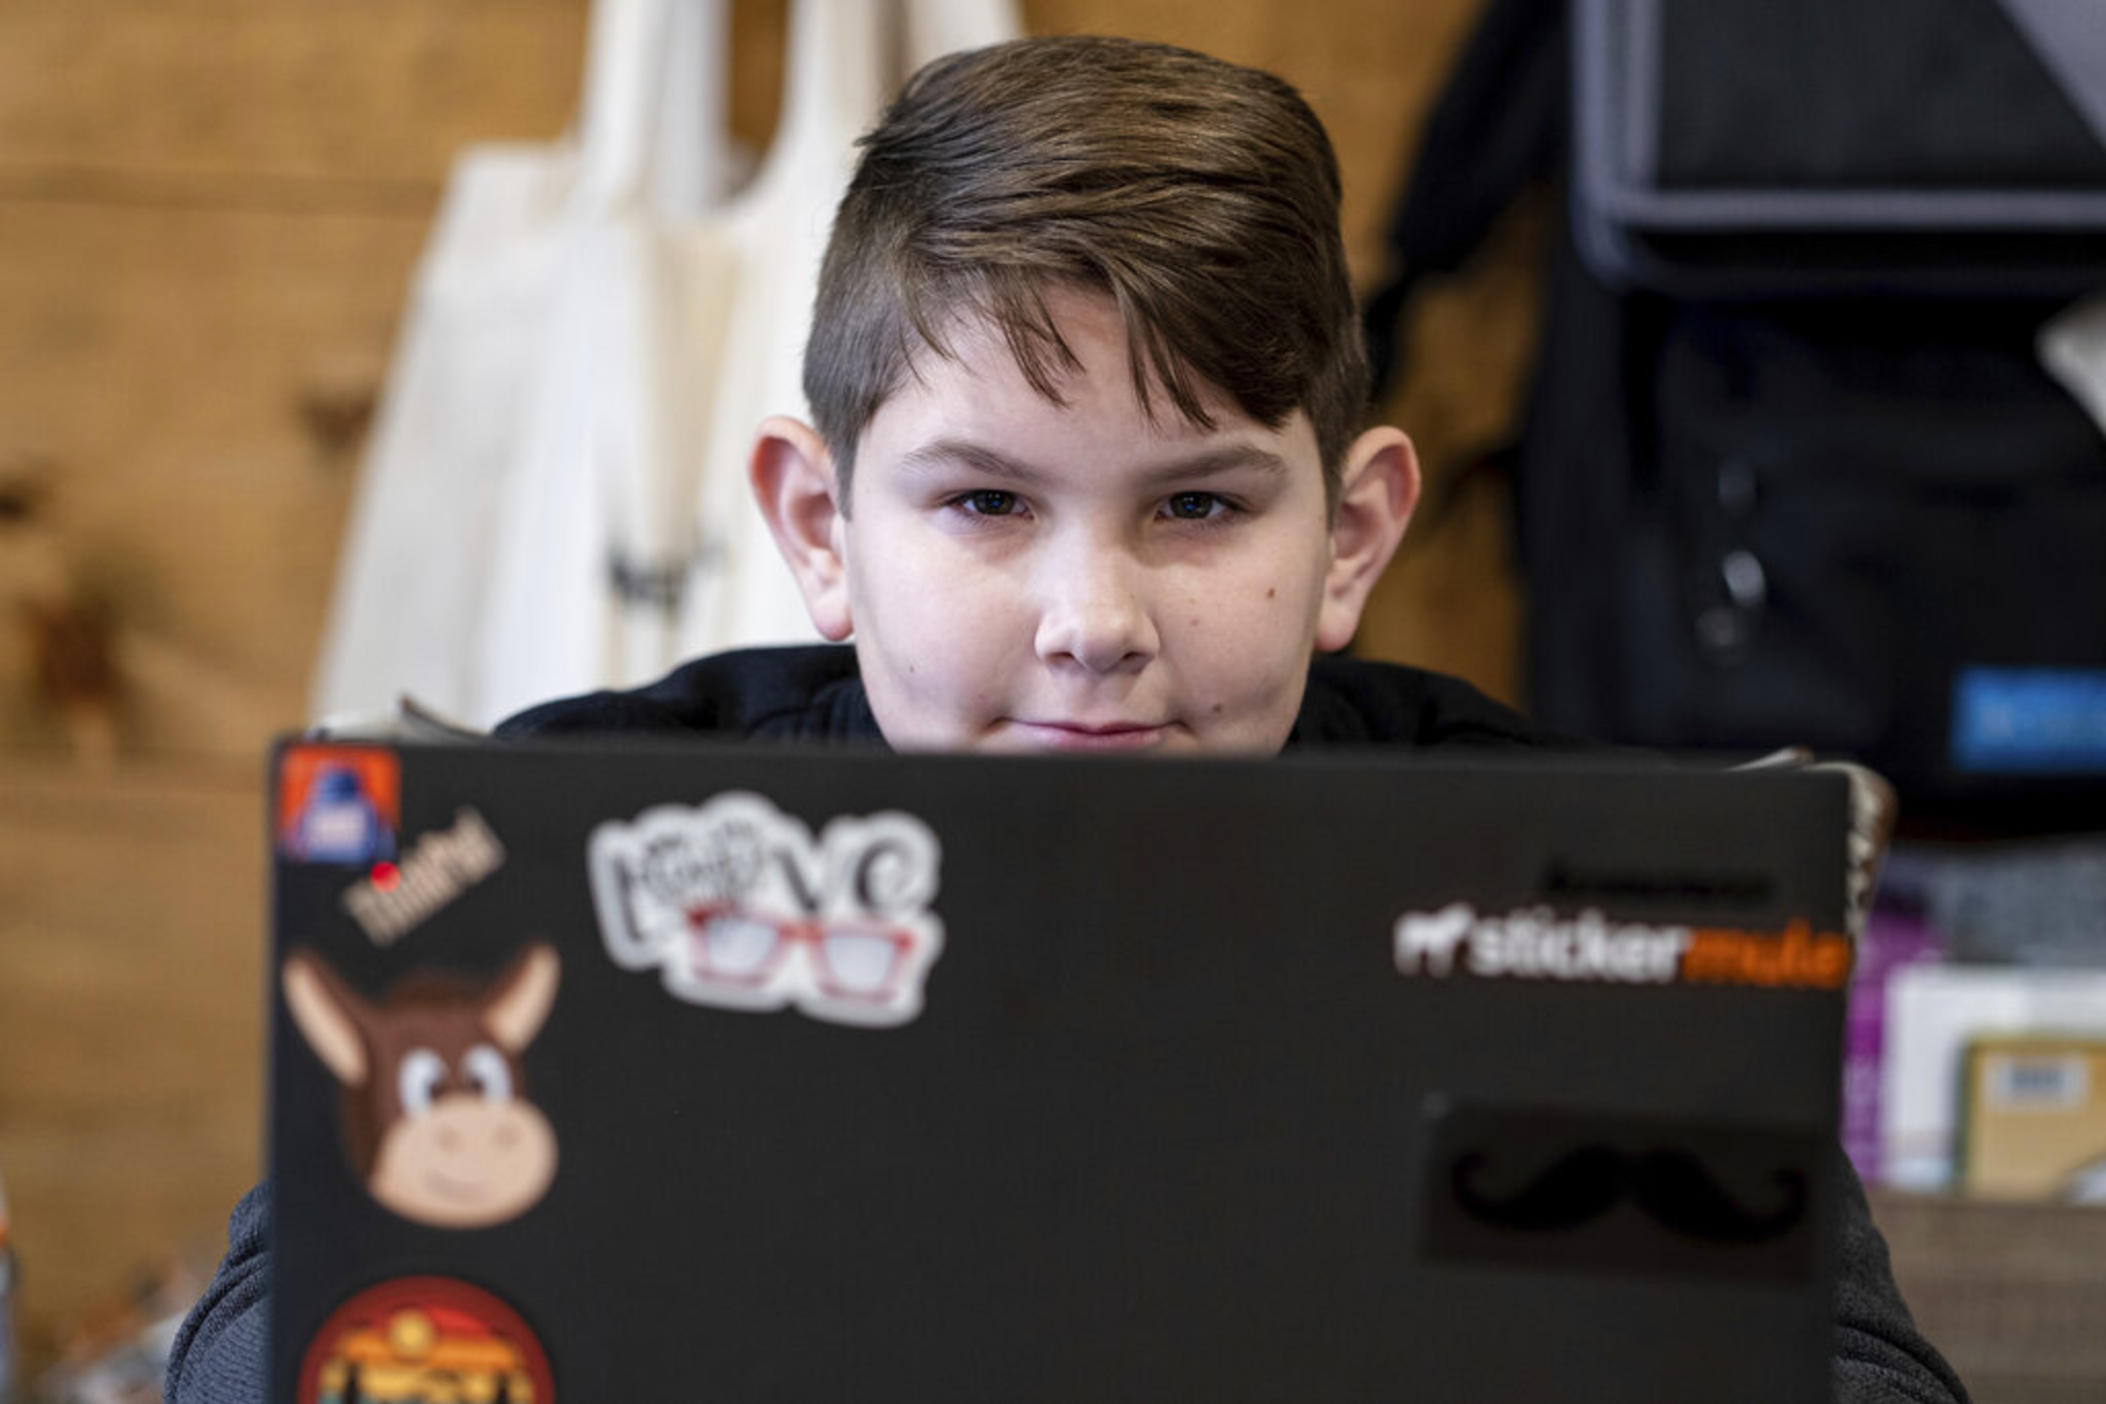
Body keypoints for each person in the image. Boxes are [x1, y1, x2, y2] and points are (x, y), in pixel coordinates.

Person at [167, 35, 1970, 1403]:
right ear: (820, 531)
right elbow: (263, 1342)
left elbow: (1856, 1372)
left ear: (1346, 539)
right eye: (982, 506)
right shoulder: (562, 840)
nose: (1092, 627)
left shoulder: (1584, 898)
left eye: (1196, 508)